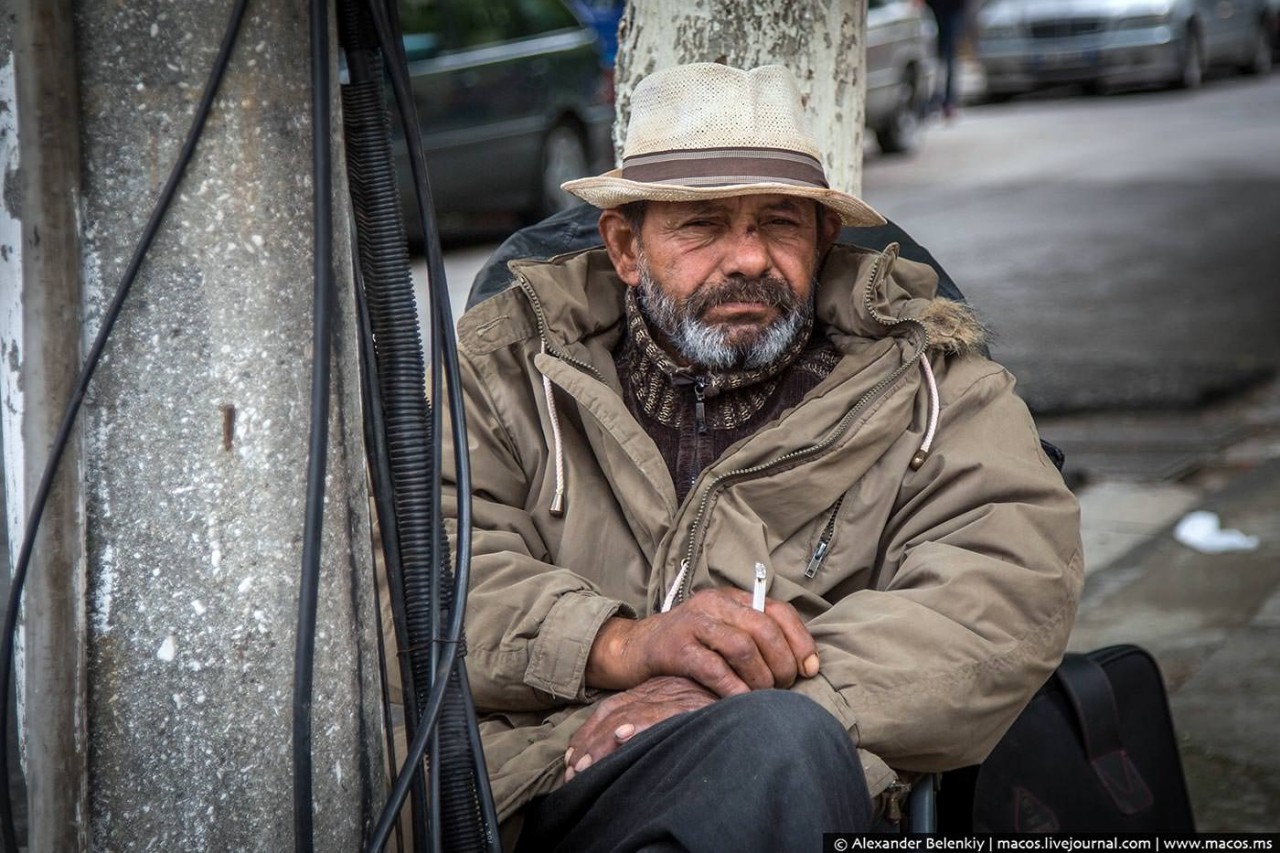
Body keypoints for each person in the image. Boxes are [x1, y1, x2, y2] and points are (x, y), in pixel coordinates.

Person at [443, 62, 1082, 851]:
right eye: (701, 223)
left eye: (778, 223)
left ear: (822, 239)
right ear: (626, 247)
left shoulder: (934, 388)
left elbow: (1007, 586)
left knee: (771, 749)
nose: (747, 259)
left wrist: (750, 697)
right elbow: (412, 570)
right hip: (539, 785)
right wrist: (617, 647)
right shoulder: (503, 370)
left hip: (791, 784)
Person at [927, 0, 971, 118]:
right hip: (935, 10)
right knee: (936, 58)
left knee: (949, 57)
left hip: (953, 10)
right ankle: (935, 99)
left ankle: (949, 101)